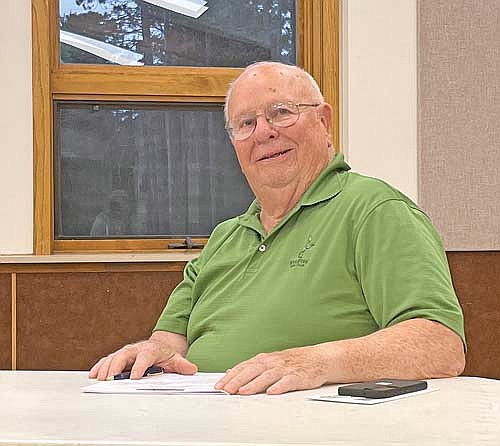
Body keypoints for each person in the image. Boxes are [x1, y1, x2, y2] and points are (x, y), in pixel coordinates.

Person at [90, 62, 466, 395]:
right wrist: (153, 352)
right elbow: (174, 338)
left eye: (281, 113)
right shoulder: (225, 237)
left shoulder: (375, 210)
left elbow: (440, 343)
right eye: (246, 124)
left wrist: (315, 362)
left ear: (324, 122)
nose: (263, 133)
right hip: (203, 424)